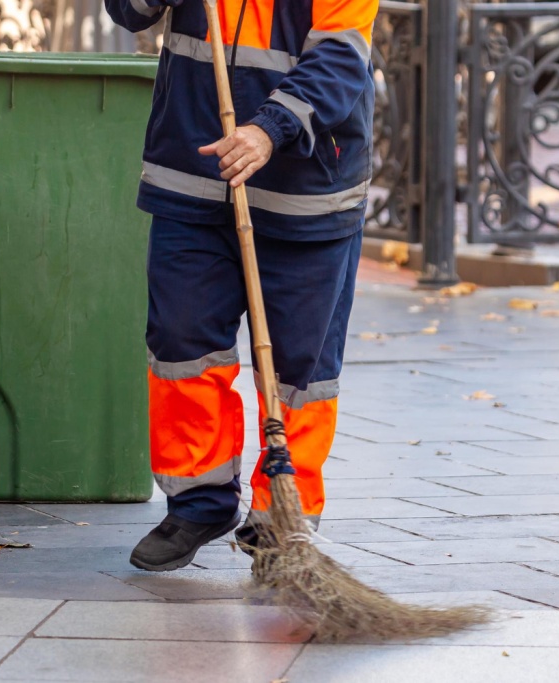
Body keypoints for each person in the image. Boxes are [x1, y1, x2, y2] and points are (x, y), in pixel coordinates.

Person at [105, 0, 378, 571]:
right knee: (182, 344)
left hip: (305, 189)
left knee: (299, 369)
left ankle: (283, 516)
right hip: (192, 172)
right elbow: (129, 12)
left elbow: (340, 60)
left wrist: (267, 130)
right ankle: (198, 502)